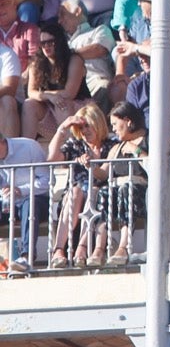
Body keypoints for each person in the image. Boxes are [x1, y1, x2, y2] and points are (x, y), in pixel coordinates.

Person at [46, 104, 114, 268]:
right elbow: (52, 159)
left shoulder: (112, 145)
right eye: (80, 127)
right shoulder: (75, 144)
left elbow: (104, 174)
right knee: (76, 191)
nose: (84, 131)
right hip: (74, 196)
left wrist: (92, 166)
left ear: (97, 123)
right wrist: (62, 128)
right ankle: (59, 250)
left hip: (102, 195)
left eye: (87, 125)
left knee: (95, 192)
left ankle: (81, 249)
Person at [89, 102, 149, 266]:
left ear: (128, 121)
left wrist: (136, 151)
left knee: (125, 191)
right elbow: (103, 173)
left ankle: (124, 245)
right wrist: (90, 165)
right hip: (118, 190)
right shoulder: (116, 148)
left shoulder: (149, 140)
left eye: (115, 124)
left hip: (139, 190)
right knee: (104, 194)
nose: (113, 129)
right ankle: (99, 248)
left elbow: (155, 167)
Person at [21, 22, 92, 140]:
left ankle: (71, 148)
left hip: (77, 107)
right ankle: (26, 148)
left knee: (62, 103)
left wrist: (51, 97)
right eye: (43, 43)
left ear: (59, 42)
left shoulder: (74, 59)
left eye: (50, 42)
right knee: (29, 104)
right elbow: (31, 92)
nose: (46, 47)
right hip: (50, 109)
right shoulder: (37, 63)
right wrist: (49, 96)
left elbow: (70, 93)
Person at [0, 134, 49, 275]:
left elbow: (47, 180)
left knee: (30, 205)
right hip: (8, 202)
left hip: (36, 198)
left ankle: (26, 257)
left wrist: (21, 190)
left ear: (2, 142)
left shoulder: (28, 146)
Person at [0, 0, 39, 75]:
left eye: (3, 4)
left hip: (22, 85)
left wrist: (19, 81)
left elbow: (36, 61)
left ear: (14, 4)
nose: (0, 9)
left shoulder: (30, 30)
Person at [0, 42, 20, 141]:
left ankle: (10, 152)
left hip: (12, 107)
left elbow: (10, 88)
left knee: (7, 100)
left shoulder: (7, 55)